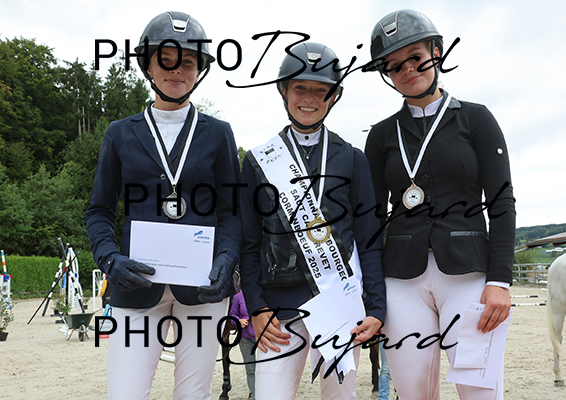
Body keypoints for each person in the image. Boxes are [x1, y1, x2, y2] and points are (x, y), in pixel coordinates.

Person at [86, 11, 241, 400]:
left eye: (187, 61)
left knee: (193, 395)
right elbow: (100, 211)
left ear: (199, 70)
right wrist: (109, 259)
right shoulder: (120, 133)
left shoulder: (218, 133)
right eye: (166, 60)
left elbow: (232, 213)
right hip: (135, 285)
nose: (176, 70)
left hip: (201, 289)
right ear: (149, 67)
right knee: (125, 393)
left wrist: (226, 259)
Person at [365, 9, 516, 400]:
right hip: (402, 278)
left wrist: (499, 280)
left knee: (479, 390)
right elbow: (372, 217)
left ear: (435, 53)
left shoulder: (477, 119)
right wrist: (372, 291)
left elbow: (501, 202)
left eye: (415, 57)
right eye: (395, 65)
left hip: (468, 274)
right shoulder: (381, 135)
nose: (407, 69)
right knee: (413, 392)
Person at [239, 42, 386, 400]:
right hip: (279, 310)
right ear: (283, 90)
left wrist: (377, 307)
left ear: (333, 97)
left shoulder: (353, 159)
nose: (309, 98)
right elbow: (249, 241)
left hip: (340, 304)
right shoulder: (258, 162)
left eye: (321, 90)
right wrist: (256, 306)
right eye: (300, 87)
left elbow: (368, 239)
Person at [229, 290, 256, 400]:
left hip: (264, 337)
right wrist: (238, 321)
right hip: (245, 338)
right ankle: (254, 396)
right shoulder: (238, 296)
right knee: (250, 369)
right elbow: (232, 315)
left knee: (266, 368)